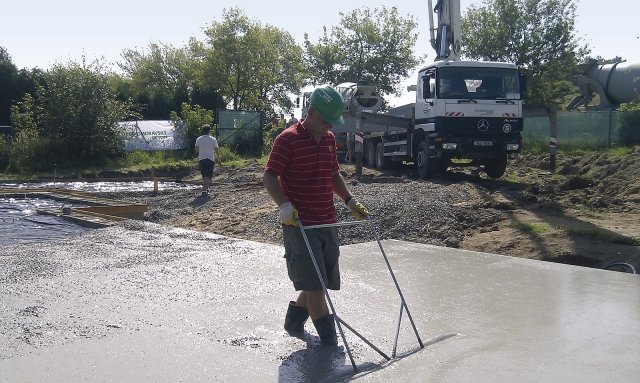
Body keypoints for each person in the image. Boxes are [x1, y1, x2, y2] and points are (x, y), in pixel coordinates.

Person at [263, 85, 370, 346]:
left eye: (333, 121)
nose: (329, 126)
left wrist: (350, 200)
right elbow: (269, 176)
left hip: (327, 220)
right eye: (326, 120)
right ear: (311, 112)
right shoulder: (287, 139)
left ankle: (293, 322)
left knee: (319, 282)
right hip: (299, 225)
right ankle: (330, 343)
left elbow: (333, 175)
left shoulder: (330, 140)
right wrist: (284, 206)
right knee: (315, 287)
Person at [195, 124, 222, 196]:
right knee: (208, 175)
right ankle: (204, 190)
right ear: (209, 130)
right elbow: (216, 150)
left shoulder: (198, 139)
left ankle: (206, 189)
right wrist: (218, 159)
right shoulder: (213, 139)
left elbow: (196, 150)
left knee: (204, 175)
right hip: (210, 159)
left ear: (202, 130)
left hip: (201, 159)